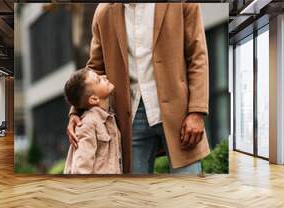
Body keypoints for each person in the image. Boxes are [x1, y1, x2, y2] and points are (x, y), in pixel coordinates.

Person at [67, 3, 210, 174]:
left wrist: (197, 112)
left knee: (189, 190)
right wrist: (76, 111)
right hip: (129, 118)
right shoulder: (104, 12)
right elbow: (95, 68)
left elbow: (197, 57)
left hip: (180, 114)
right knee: (135, 195)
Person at [63, 68, 122, 174]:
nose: (104, 76)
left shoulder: (109, 117)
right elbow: (80, 169)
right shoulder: (87, 124)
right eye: (98, 80)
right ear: (94, 99)